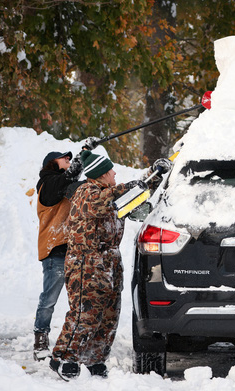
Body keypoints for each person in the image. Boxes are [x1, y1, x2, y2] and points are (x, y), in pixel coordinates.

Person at [49, 150, 171, 380]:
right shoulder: (87, 193)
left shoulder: (113, 195)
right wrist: (132, 186)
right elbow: (110, 199)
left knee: (107, 316)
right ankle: (63, 357)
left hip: (109, 265)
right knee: (84, 314)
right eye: (111, 170)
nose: (115, 173)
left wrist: (155, 174)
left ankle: (94, 359)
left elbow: (136, 196)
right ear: (102, 174)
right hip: (86, 264)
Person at [33, 138, 99, 361]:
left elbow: (75, 183)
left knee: (79, 301)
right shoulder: (47, 184)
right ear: (52, 163)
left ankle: (78, 340)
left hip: (73, 250)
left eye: (71, 158)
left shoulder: (62, 184)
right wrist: (84, 152)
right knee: (49, 299)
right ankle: (40, 338)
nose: (69, 160)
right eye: (65, 158)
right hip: (55, 250)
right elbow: (69, 177)